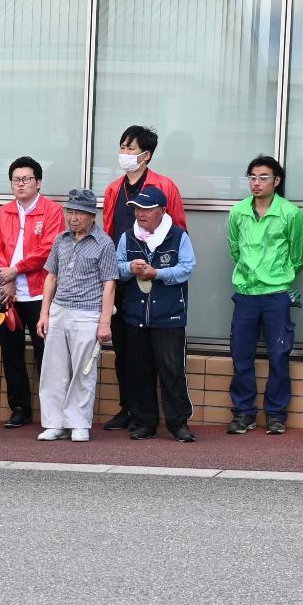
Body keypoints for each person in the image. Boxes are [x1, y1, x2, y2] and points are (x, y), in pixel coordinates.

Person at [100, 126, 189, 432]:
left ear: (146, 155)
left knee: (165, 358)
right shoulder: (114, 189)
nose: (124, 153)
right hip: (123, 278)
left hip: (159, 282)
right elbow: (109, 231)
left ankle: (170, 419)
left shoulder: (165, 186)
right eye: (122, 147)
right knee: (126, 350)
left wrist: (161, 271)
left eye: (130, 148)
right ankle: (131, 409)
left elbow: (178, 231)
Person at [226, 155, 303, 435]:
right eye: (252, 177)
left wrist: (279, 276)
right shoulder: (238, 212)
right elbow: (235, 248)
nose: (257, 183)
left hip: (276, 294)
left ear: (277, 181)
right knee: (241, 356)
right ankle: (244, 412)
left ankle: (276, 413)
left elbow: (299, 255)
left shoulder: (290, 213)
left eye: (263, 177)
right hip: (246, 293)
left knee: (279, 354)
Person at [0, 155, 66, 429]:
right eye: (16, 180)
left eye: (26, 179)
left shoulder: (52, 211)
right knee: (11, 353)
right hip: (9, 296)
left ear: (38, 182)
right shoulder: (3, 212)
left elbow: (49, 248)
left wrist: (15, 269)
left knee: (47, 353)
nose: (21, 184)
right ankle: (19, 408)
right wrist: (5, 278)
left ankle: (52, 411)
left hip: (39, 296)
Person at [113, 184, 196, 442]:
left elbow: (187, 268)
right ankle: (144, 422)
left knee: (172, 370)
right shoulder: (128, 237)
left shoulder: (178, 236)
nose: (140, 213)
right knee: (139, 371)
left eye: (147, 209)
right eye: (137, 208)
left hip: (169, 317)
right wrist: (130, 267)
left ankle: (178, 423)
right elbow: (115, 268)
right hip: (135, 316)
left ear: (162, 210)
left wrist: (156, 273)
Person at [36, 187, 115, 442]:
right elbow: (51, 276)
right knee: (53, 369)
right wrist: (44, 313)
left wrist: (105, 322)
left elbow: (109, 284)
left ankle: (79, 422)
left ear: (92, 216)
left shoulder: (104, 243)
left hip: (88, 313)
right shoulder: (61, 239)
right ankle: (54, 423)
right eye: (70, 211)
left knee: (84, 370)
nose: (73, 217)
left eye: (79, 213)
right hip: (59, 309)